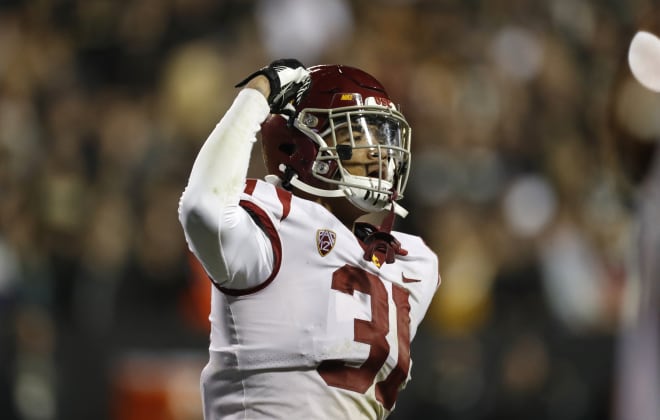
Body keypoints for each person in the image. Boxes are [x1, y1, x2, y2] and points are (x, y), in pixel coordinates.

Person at [178, 59, 440, 419]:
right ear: (301, 144)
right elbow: (201, 206)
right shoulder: (273, 220)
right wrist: (257, 95)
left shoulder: (414, 264)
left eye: (383, 136)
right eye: (358, 135)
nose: (381, 155)